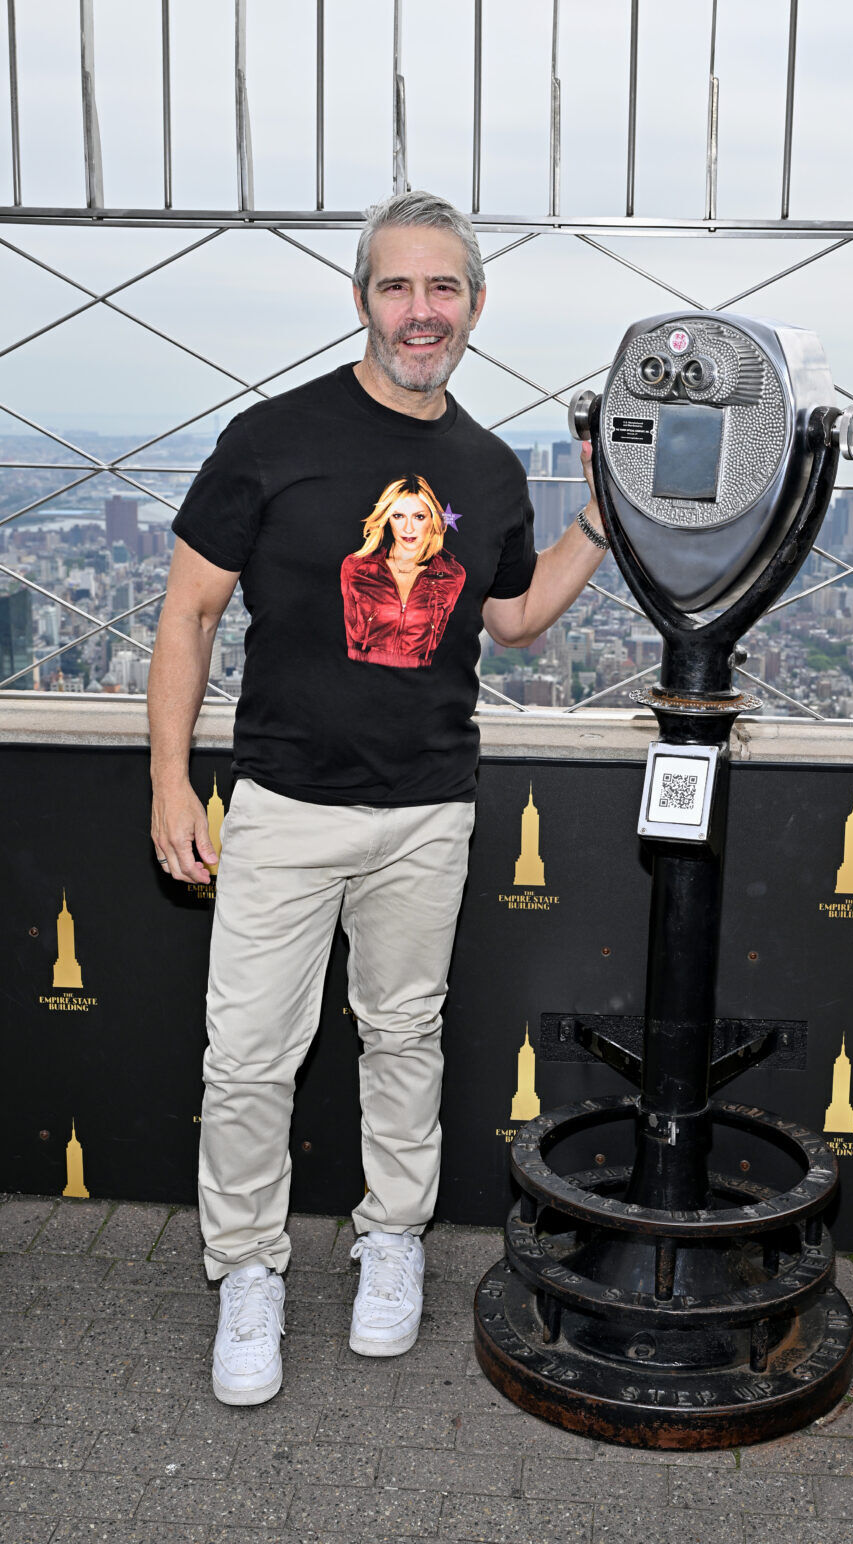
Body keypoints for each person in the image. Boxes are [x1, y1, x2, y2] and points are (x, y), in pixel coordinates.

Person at [147, 189, 610, 1407]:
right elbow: (187, 613)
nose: (421, 312)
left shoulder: (489, 467)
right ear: (361, 299)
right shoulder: (270, 437)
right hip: (287, 802)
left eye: (442, 288)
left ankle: (389, 1235)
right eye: (398, 287)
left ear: (474, 305)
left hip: (427, 806)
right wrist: (168, 782)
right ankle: (247, 1264)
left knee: (402, 1035)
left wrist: (601, 528)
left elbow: (506, 618)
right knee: (249, 1057)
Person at [340, 474, 465, 667]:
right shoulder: (357, 567)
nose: (408, 528)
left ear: (433, 519)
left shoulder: (452, 574)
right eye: (398, 516)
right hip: (359, 681)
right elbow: (350, 631)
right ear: (387, 519)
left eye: (419, 517)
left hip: (425, 688)